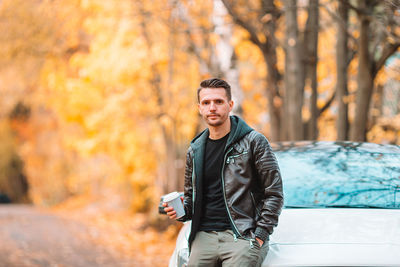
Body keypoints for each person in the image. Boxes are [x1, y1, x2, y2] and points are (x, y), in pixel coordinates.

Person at [163, 78, 283, 267]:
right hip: (203, 237)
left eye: (218, 102)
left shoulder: (254, 142)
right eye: (206, 103)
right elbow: (191, 200)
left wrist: (260, 235)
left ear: (230, 105)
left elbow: (274, 193)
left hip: (242, 236)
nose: (212, 108)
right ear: (200, 108)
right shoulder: (195, 149)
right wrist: (179, 211)